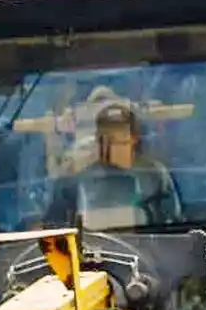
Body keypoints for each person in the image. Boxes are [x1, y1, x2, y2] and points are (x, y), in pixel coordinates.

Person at [46, 93, 183, 229]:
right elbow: (54, 229)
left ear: (134, 137)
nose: (114, 143)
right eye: (107, 136)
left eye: (121, 135)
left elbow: (172, 227)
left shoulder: (155, 175)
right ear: (98, 139)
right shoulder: (72, 180)